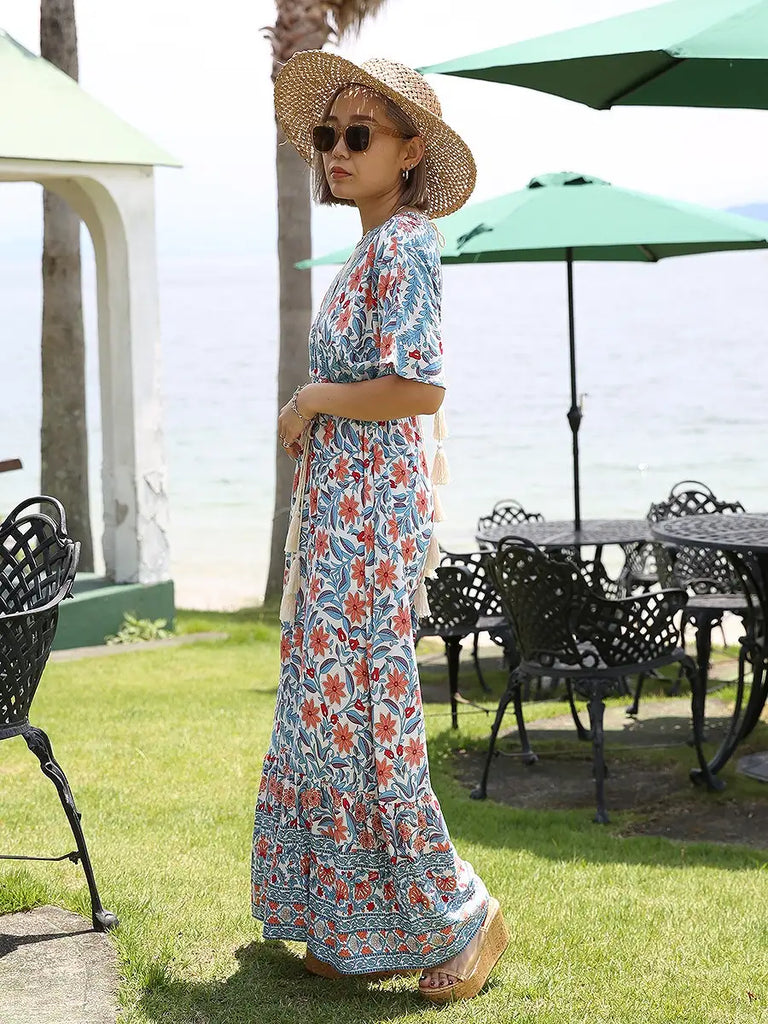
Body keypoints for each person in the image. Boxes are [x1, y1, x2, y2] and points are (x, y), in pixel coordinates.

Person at [252, 51, 508, 1003]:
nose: (337, 149)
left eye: (359, 133)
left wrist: (311, 398)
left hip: (370, 520)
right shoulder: (368, 250)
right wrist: (315, 412)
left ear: (409, 153)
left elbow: (419, 385)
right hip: (340, 513)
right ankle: (348, 922)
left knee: (367, 712)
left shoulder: (404, 244)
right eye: (329, 134)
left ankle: (465, 918)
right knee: (327, 710)